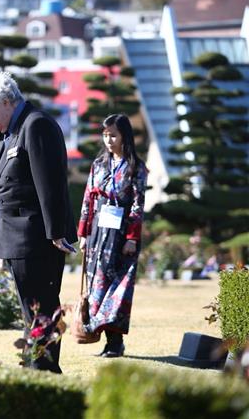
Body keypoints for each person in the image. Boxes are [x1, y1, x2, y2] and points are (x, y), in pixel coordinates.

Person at [0, 71, 77, 373]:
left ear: (7, 101)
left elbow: (50, 182)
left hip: (36, 236)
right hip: (18, 237)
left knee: (41, 306)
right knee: (31, 309)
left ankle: (45, 368)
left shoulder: (36, 125)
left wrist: (56, 231)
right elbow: (10, 152)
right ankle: (36, 364)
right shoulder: (15, 128)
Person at [77, 114, 148, 358]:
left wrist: (131, 237)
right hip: (98, 233)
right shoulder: (98, 165)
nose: (108, 140)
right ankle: (107, 341)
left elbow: (138, 204)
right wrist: (83, 233)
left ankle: (115, 342)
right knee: (97, 286)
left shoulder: (136, 167)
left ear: (124, 136)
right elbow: (88, 199)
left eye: (113, 135)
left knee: (116, 289)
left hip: (121, 235)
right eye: (105, 135)